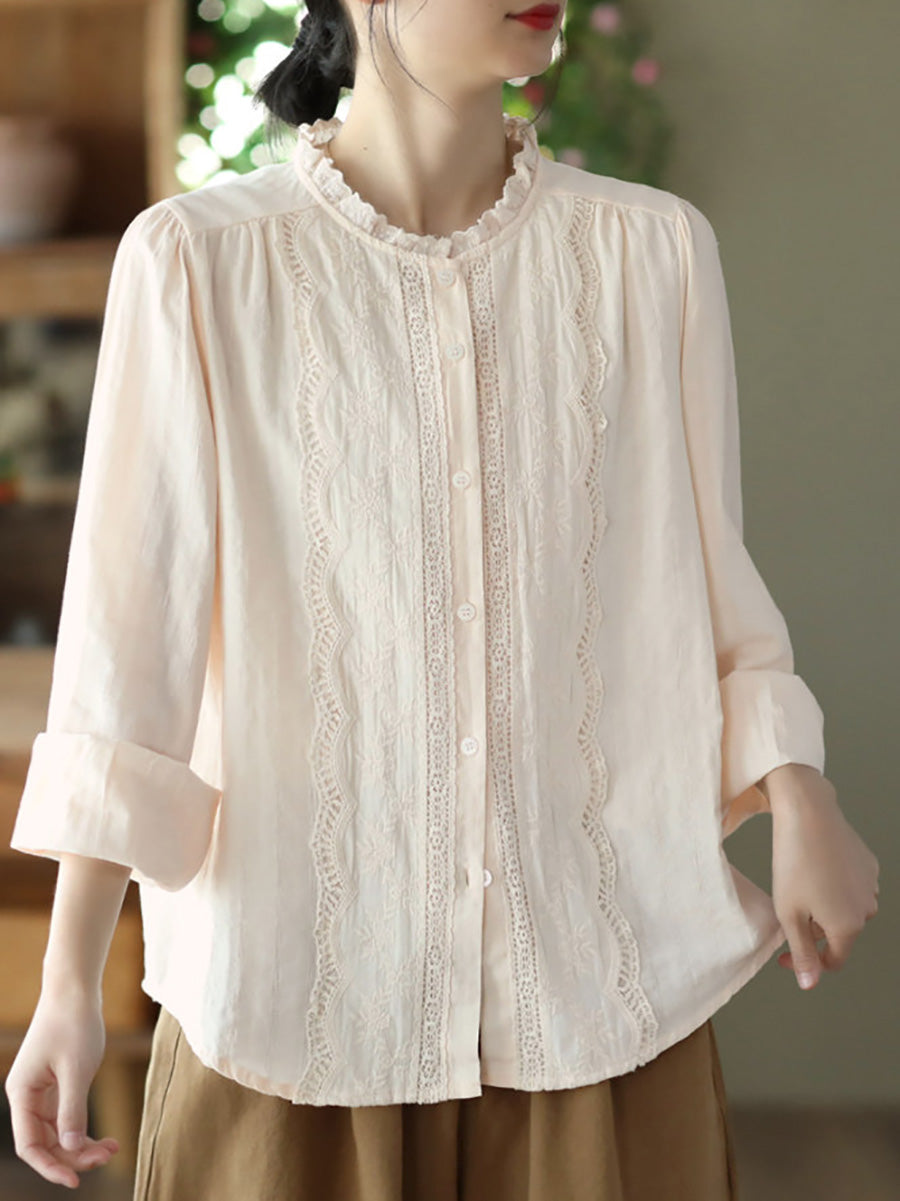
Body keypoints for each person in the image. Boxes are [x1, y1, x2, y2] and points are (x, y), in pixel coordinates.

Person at [4, 1, 880, 1198]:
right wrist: (67, 984)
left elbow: (711, 575)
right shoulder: (199, 261)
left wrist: (799, 788)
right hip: (296, 1002)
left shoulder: (652, 250)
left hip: (596, 993)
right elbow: (128, 642)